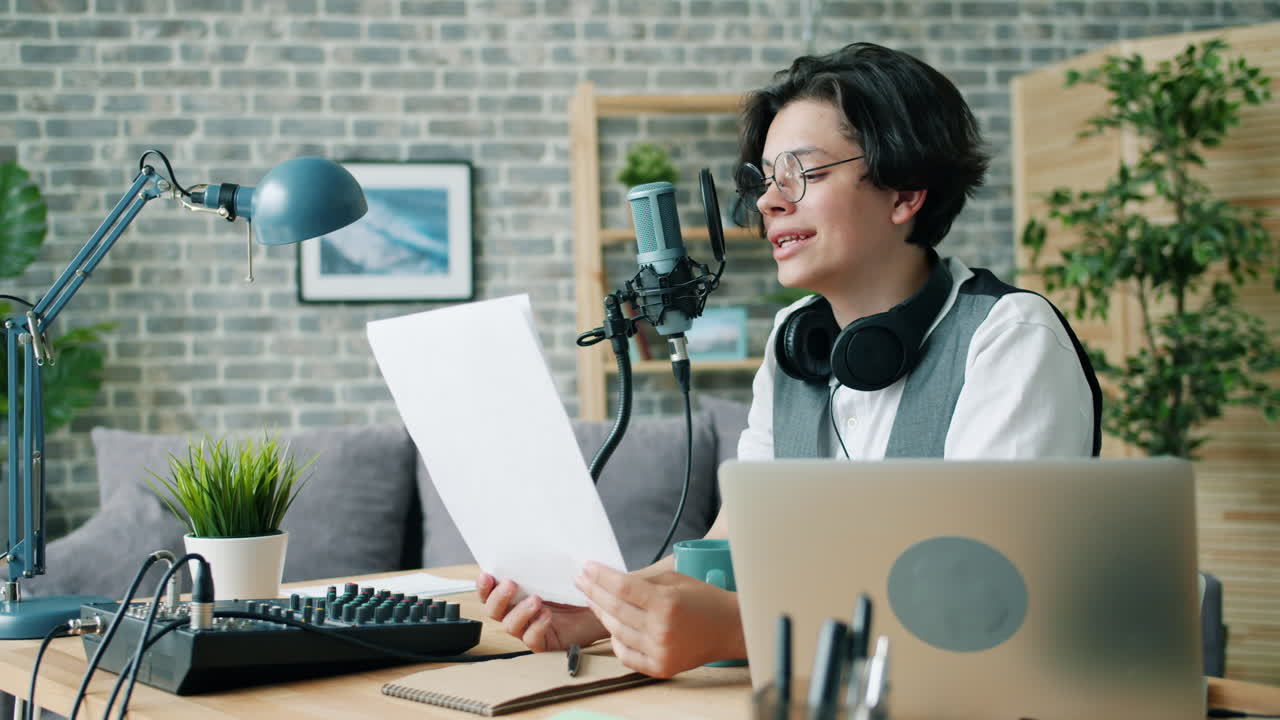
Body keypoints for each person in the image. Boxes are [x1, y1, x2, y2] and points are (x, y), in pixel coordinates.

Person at [479, 42, 1100, 677]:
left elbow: (985, 602)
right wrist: (600, 610)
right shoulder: (795, 342)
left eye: (801, 174)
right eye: (764, 181)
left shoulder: (1010, 339)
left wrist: (742, 630)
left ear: (905, 191)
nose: (770, 204)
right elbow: (734, 541)